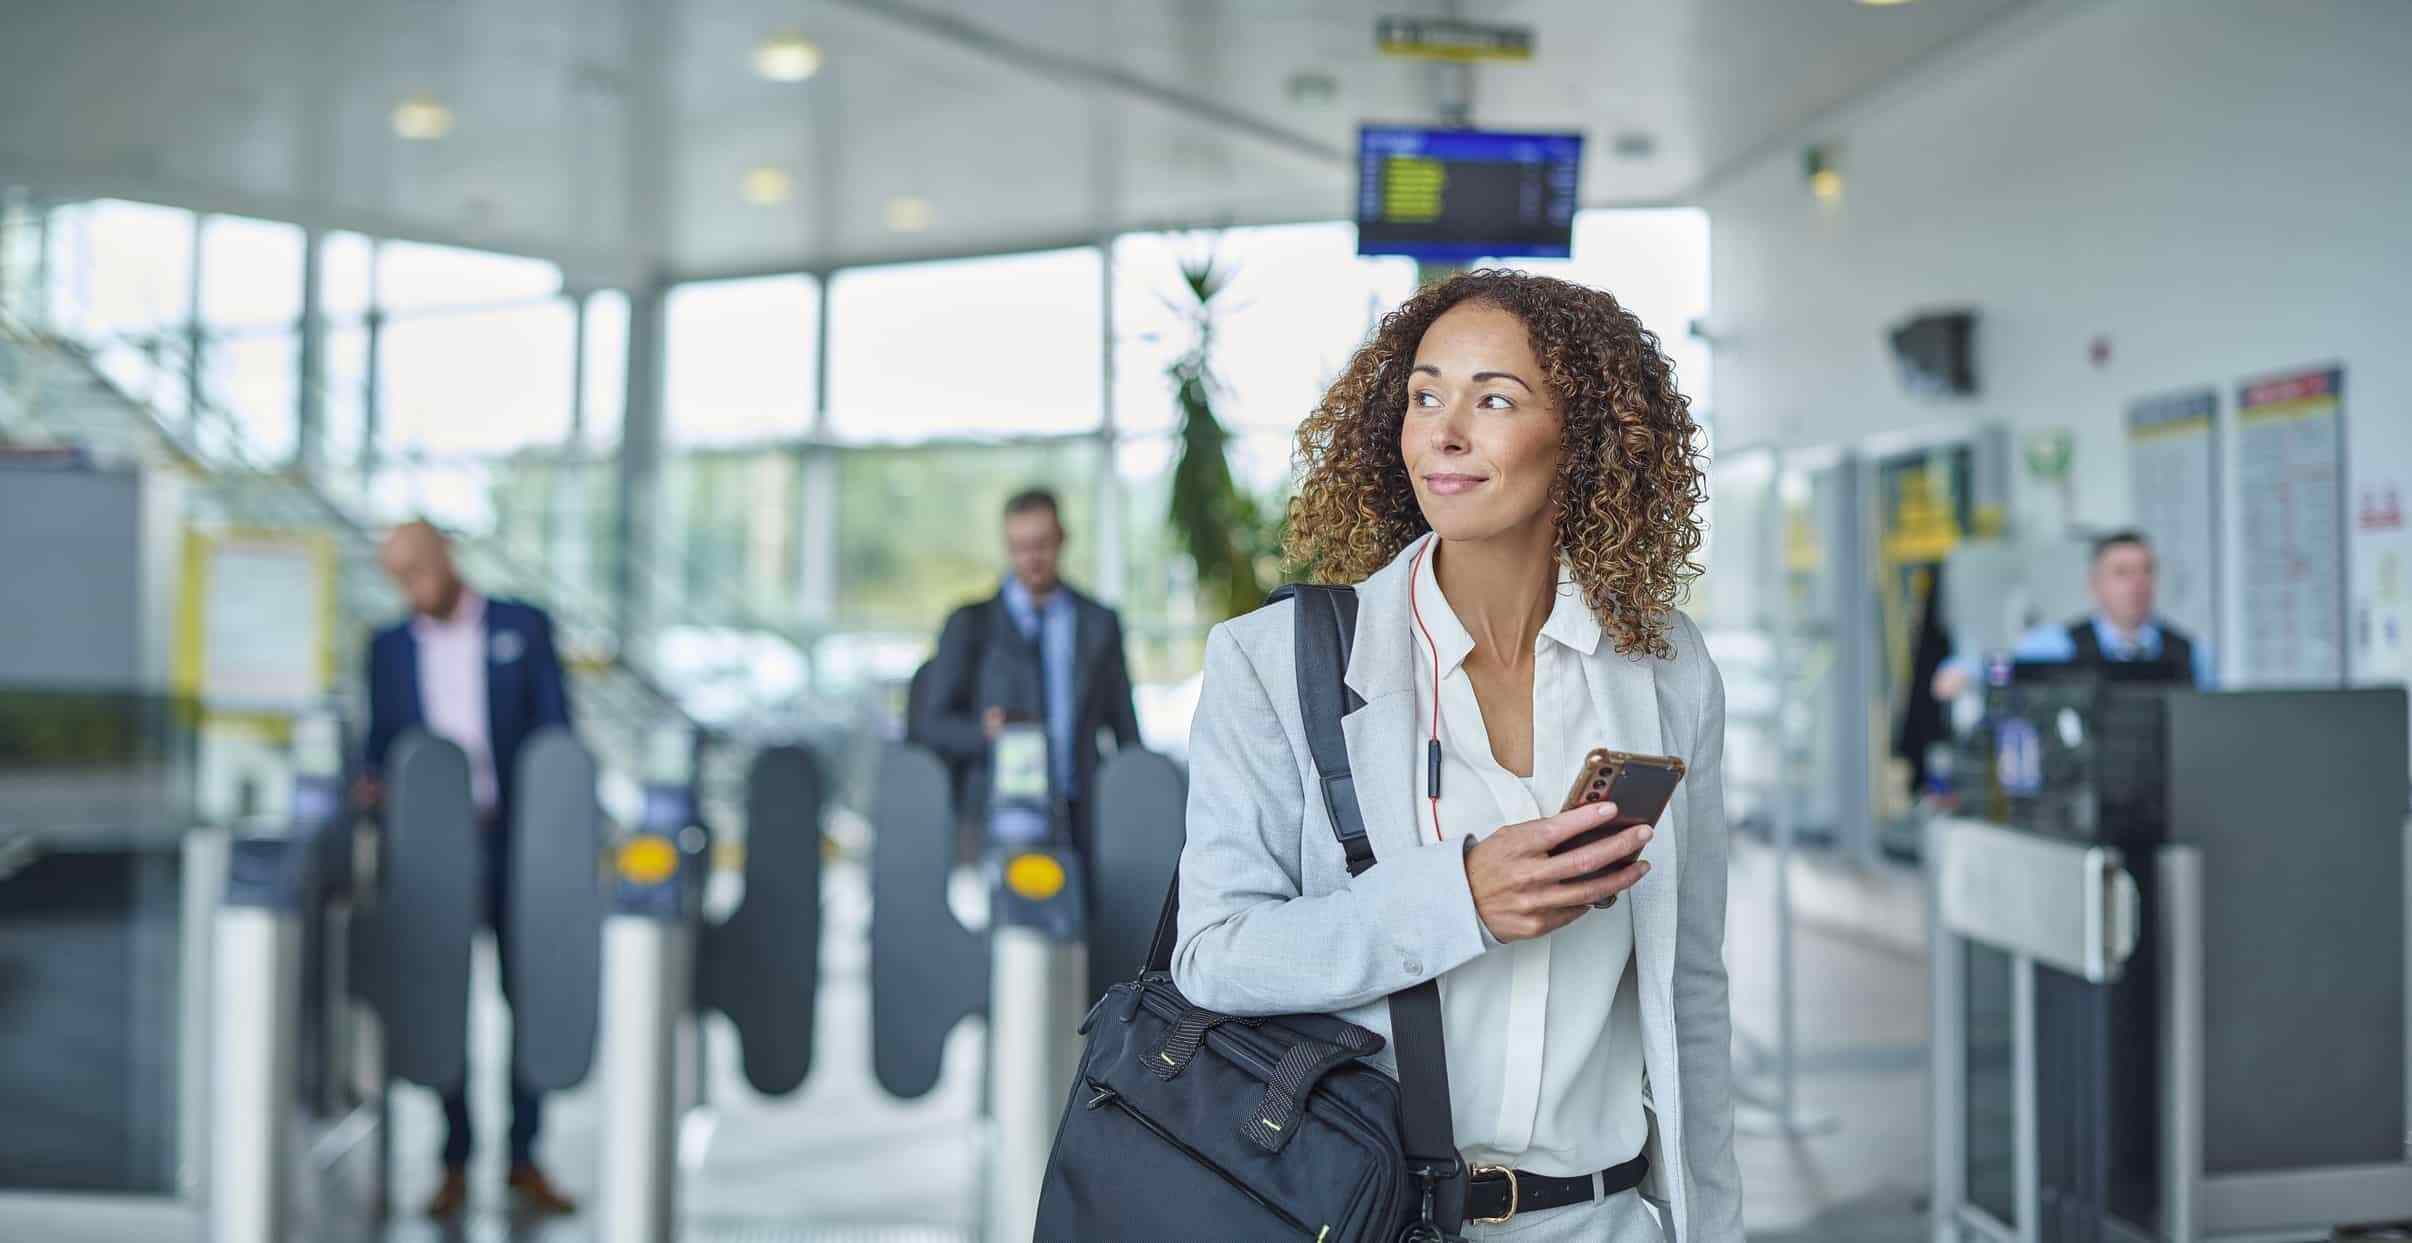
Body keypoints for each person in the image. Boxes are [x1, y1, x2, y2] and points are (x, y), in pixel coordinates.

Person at [1173, 270, 1743, 1241]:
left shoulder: (1667, 665)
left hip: (1603, 1223)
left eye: (1494, 399)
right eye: (1426, 394)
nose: (1444, 431)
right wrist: (1458, 901)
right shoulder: (1271, 664)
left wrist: (1713, 1226)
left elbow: (1689, 985)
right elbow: (1213, 955)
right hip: (1371, 1216)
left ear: (1585, 437)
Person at [361, 520, 578, 1219]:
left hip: (519, 841)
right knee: (439, 997)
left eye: (418, 569)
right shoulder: (387, 649)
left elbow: (555, 732)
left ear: (448, 556)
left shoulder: (524, 627)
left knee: (531, 994)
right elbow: (380, 745)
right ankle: (452, 1159)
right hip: (435, 851)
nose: (411, 587)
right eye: (399, 576)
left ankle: (524, 1156)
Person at [912, 488, 1141, 862]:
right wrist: (982, 733)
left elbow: (1125, 729)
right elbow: (929, 724)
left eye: (1041, 544)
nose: (1030, 558)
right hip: (996, 819)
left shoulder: (1098, 624)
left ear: (1062, 539)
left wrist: (1133, 807)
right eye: (1018, 547)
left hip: (1082, 817)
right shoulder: (971, 625)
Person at [1931, 529, 2214, 698]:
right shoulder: (2058, 646)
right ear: (2094, 585)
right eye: (2122, 573)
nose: (2137, 584)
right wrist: (1969, 672)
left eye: (2146, 571)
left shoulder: (2190, 653)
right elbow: (2012, 669)